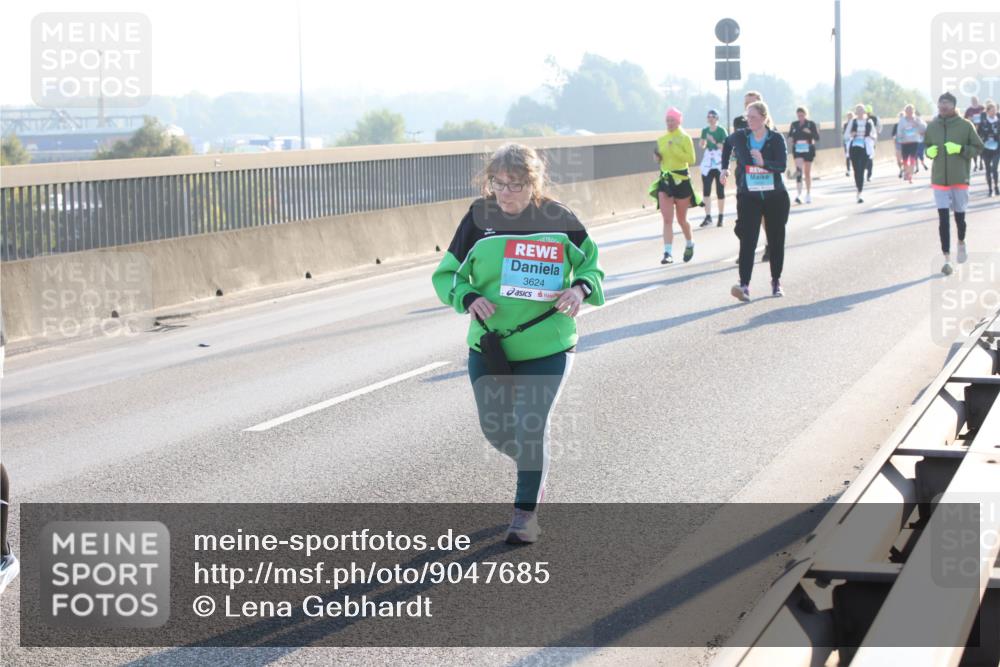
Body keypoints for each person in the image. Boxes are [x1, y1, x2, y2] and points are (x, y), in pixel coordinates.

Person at [432, 144, 604, 544]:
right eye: (499, 183)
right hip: (491, 346)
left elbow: (592, 265)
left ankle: (525, 515)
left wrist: (580, 290)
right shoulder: (478, 219)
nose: (506, 193)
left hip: (548, 346)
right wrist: (468, 297)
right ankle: (534, 464)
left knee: (530, 427)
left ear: (534, 183)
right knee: (497, 433)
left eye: (516, 184)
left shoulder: (558, 218)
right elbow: (448, 275)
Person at [721, 100, 789, 302]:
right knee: (747, 239)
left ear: (764, 118)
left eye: (753, 117)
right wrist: (724, 167)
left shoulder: (775, 138)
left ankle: (776, 281)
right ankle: (744, 286)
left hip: (774, 197)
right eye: (747, 117)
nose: (749, 121)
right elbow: (727, 143)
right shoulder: (741, 136)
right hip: (749, 196)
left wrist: (763, 162)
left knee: (776, 240)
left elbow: (782, 166)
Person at [924, 92, 984, 276]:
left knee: (960, 218)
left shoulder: (965, 126)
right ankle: (947, 259)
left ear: (953, 106)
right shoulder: (932, 126)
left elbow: (978, 147)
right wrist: (929, 152)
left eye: (947, 104)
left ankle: (961, 241)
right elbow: (927, 147)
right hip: (939, 179)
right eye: (941, 104)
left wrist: (960, 149)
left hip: (960, 178)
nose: (943, 107)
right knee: (943, 219)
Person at [650, 107, 700, 264]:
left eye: (672, 120)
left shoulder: (685, 138)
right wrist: (657, 158)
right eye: (667, 120)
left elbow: (691, 159)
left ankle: (690, 243)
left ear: (679, 121)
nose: (669, 123)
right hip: (665, 181)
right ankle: (667, 253)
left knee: (681, 219)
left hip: (682, 180)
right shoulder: (662, 139)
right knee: (667, 219)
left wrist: (675, 149)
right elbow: (660, 160)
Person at [699, 109, 728, 227]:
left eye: (713, 116)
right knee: (706, 190)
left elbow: (725, 147)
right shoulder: (704, 130)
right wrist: (703, 143)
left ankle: (720, 216)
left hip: (719, 161)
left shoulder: (721, 131)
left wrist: (714, 141)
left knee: (720, 190)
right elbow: (702, 145)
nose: (710, 119)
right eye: (708, 116)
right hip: (708, 161)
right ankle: (708, 216)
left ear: (717, 118)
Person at [844, 104, 878, 203]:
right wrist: (851, 134)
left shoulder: (869, 121)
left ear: (864, 112)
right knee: (856, 170)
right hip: (854, 147)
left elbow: (874, 134)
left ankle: (860, 192)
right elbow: (846, 135)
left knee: (862, 170)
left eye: (861, 110)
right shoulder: (852, 122)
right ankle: (858, 190)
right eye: (858, 110)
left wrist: (871, 136)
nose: (860, 112)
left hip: (865, 147)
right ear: (856, 112)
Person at [788, 106, 819, 204]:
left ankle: (808, 193)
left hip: (808, 148)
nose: (800, 117)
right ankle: (799, 194)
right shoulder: (794, 124)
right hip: (797, 149)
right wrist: (790, 139)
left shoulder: (811, 124)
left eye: (802, 115)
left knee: (807, 172)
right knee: (799, 170)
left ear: (805, 115)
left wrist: (809, 132)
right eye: (798, 115)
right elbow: (790, 135)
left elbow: (817, 137)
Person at [897, 104, 927, 184]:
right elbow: (899, 130)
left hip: (914, 141)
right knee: (905, 159)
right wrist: (900, 137)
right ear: (905, 111)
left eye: (911, 110)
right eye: (907, 110)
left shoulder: (917, 119)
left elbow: (924, 127)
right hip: (905, 142)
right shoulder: (902, 120)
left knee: (913, 159)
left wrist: (917, 124)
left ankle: (910, 176)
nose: (909, 112)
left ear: (913, 111)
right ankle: (907, 172)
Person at [977, 100, 999, 196]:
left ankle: (996, 187)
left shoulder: (999, 121)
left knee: (994, 168)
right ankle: (990, 189)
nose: (994, 112)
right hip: (986, 149)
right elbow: (978, 134)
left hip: (997, 148)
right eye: (992, 110)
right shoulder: (983, 122)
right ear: (988, 111)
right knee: (988, 169)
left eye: (996, 110)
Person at [965, 96, 986, 172]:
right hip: (972, 131)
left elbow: (986, 117)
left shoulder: (982, 108)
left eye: (976, 100)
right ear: (971, 101)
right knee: (974, 147)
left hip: (982, 131)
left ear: (978, 100)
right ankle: (976, 164)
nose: (974, 101)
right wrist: (969, 119)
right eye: (973, 100)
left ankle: (981, 162)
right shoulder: (969, 110)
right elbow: (965, 120)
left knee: (981, 146)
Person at [865, 104, 880, 182]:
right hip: (862, 142)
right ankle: (867, 169)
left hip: (871, 140)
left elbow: (878, 128)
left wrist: (874, 135)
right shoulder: (859, 120)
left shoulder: (874, 119)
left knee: (870, 156)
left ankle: (869, 174)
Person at [842, 111, 855, 177]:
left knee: (854, 156)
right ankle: (848, 170)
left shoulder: (855, 123)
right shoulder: (845, 125)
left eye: (851, 116)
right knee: (847, 156)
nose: (849, 118)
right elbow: (844, 133)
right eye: (848, 116)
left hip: (854, 141)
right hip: (847, 142)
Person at [893, 112, 904, 178]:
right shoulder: (896, 125)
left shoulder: (908, 124)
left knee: (905, 158)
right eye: (900, 117)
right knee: (898, 159)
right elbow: (893, 135)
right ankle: (901, 169)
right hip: (898, 144)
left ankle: (906, 169)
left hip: (906, 144)